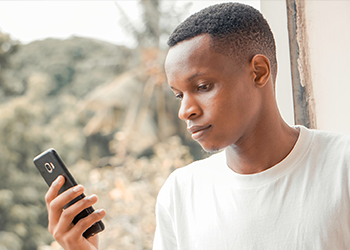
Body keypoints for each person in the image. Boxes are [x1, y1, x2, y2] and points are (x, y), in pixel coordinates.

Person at [45, 2, 350, 250]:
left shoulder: (342, 165)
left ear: (258, 72)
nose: (185, 110)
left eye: (203, 86)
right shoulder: (181, 192)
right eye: (179, 95)